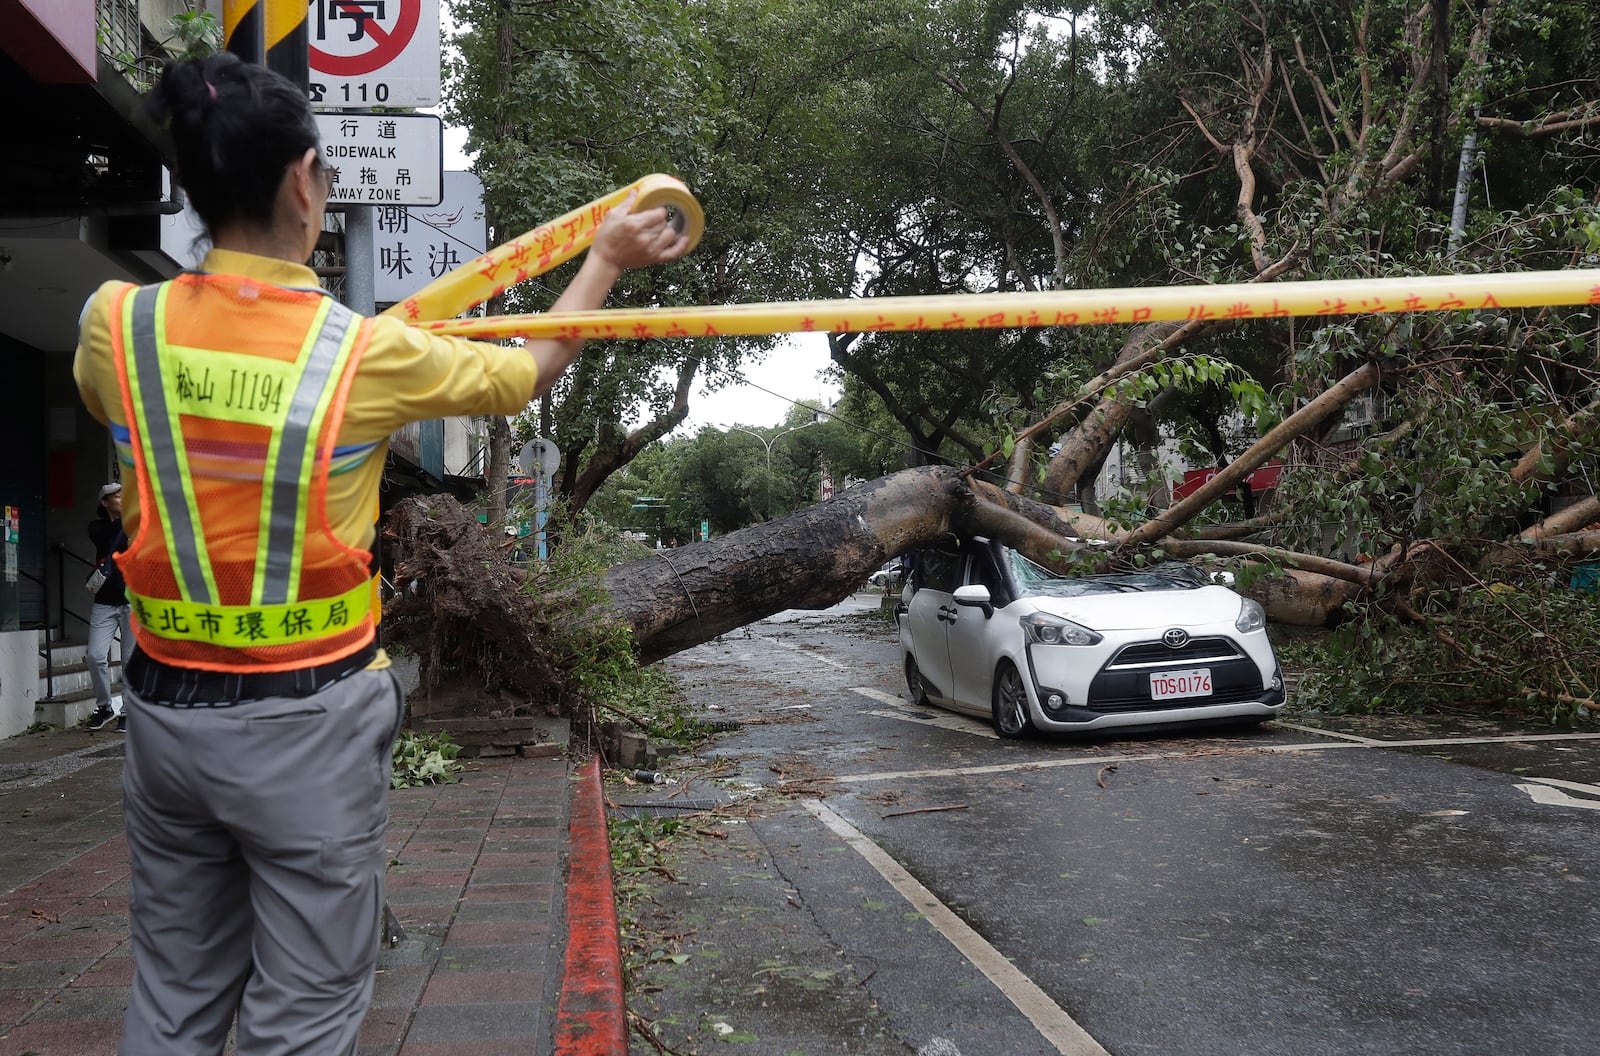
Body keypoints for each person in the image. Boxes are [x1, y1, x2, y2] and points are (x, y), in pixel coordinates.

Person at [73, 52, 688, 1056]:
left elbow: (141, 416)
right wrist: (605, 259)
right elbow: (528, 372)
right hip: (304, 722)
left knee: (175, 994)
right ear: (306, 180)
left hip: (164, 713)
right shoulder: (362, 355)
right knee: (305, 1005)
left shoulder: (119, 327)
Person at [85, 482, 132, 732]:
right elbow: (105, 542)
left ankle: (127, 711)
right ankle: (104, 707)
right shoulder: (97, 527)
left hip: (132, 602)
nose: (123, 498)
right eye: (118, 495)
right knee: (95, 656)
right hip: (104, 602)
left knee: (128, 659)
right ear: (105, 502)